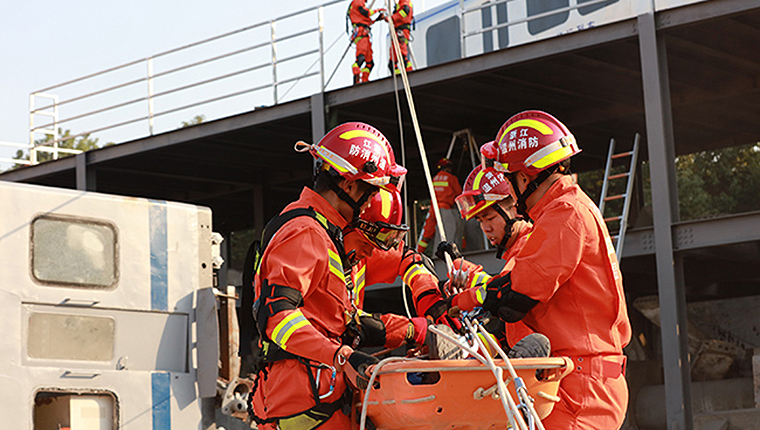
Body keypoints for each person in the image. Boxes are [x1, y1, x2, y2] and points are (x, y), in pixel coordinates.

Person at [445, 110, 632, 429]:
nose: (508, 186)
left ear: (525, 176)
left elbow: (516, 294)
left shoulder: (565, 213)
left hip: (578, 385)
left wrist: (457, 304)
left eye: (508, 176)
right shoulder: (563, 211)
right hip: (576, 379)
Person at [249, 122, 429, 430]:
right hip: (299, 399)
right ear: (348, 186)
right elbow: (276, 317)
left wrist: (426, 314)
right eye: (372, 191)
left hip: (320, 394)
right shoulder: (304, 232)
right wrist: (342, 356)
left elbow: (343, 317)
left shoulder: (330, 235)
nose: (375, 201)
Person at [416, 158, 464, 255]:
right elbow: (459, 197)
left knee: (426, 233)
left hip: (433, 209)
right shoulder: (452, 179)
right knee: (450, 233)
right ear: (449, 167)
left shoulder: (434, 179)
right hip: (445, 210)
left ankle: (417, 253)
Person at [348, 0, 386, 84]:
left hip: (365, 34)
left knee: (370, 63)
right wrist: (378, 10)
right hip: (361, 34)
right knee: (361, 58)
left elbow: (367, 20)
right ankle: (356, 76)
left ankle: (365, 79)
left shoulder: (358, 4)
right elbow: (366, 13)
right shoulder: (358, 2)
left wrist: (377, 19)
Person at [388, 0, 414, 74]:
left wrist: (392, 18)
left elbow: (405, 11)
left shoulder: (404, 1)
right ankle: (397, 72)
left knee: (401, 55)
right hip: (398, 30)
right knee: (392, 61)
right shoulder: (401, 3)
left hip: (402, 30)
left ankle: (409, 71)